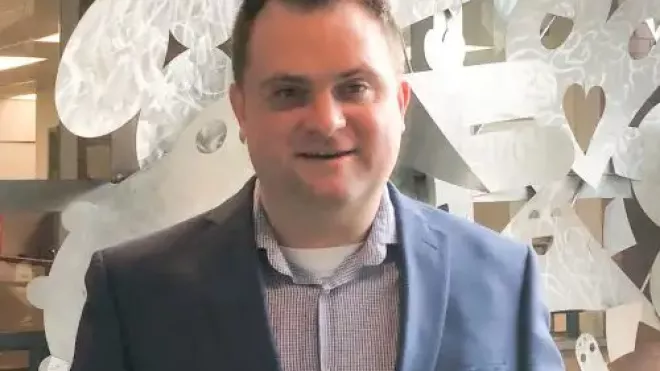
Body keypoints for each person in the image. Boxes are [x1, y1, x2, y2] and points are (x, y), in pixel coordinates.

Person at [70, 0, 565, 370]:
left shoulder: (504, 281)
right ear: (241, 111)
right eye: (289, 92)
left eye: (354, 88)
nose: (327, 121)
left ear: (400, 103)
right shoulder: (135, 295)